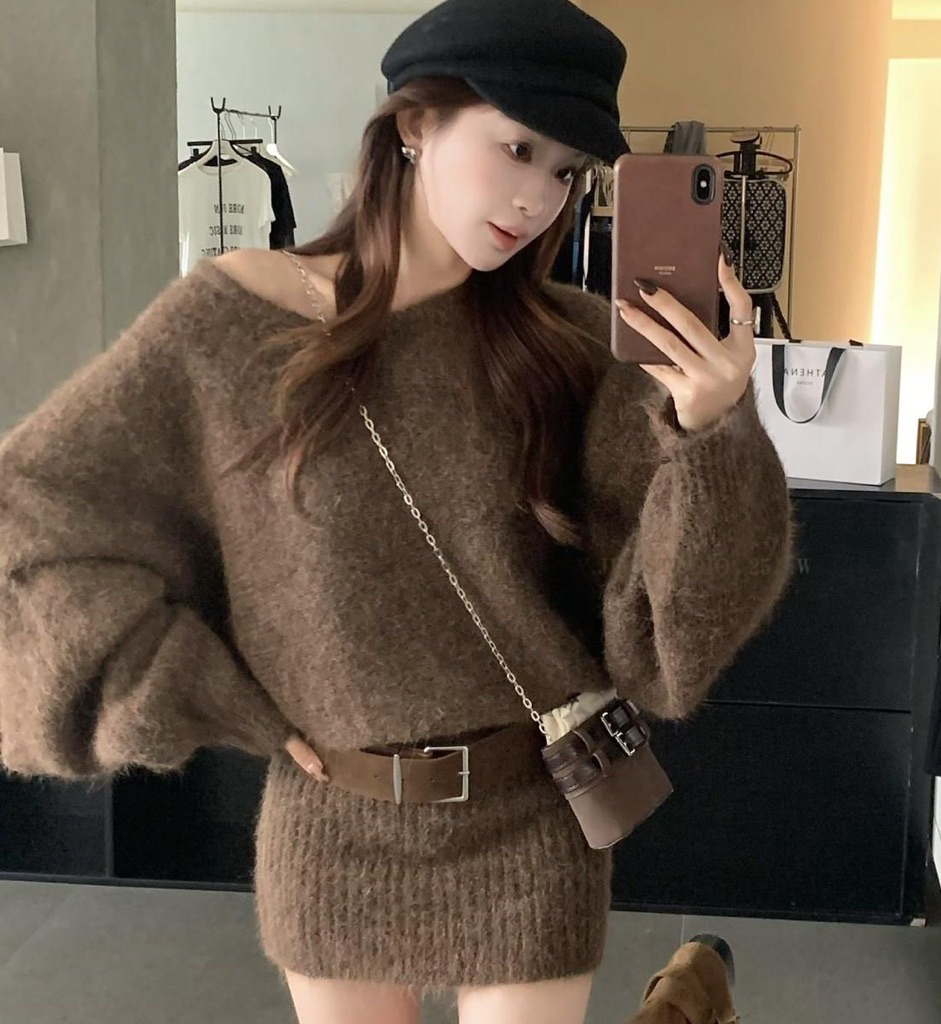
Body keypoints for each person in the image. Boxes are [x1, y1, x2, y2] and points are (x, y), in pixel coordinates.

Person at [0, 0, 794, 1021]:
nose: (536, 198)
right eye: (517, 148)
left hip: (531, 819)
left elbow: (670, 640)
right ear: (415, 124)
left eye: (566, 172)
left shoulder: (573, 346)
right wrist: (208, 695)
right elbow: (33, 519)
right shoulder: (229, 325)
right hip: (333, 824)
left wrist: (712, 430)